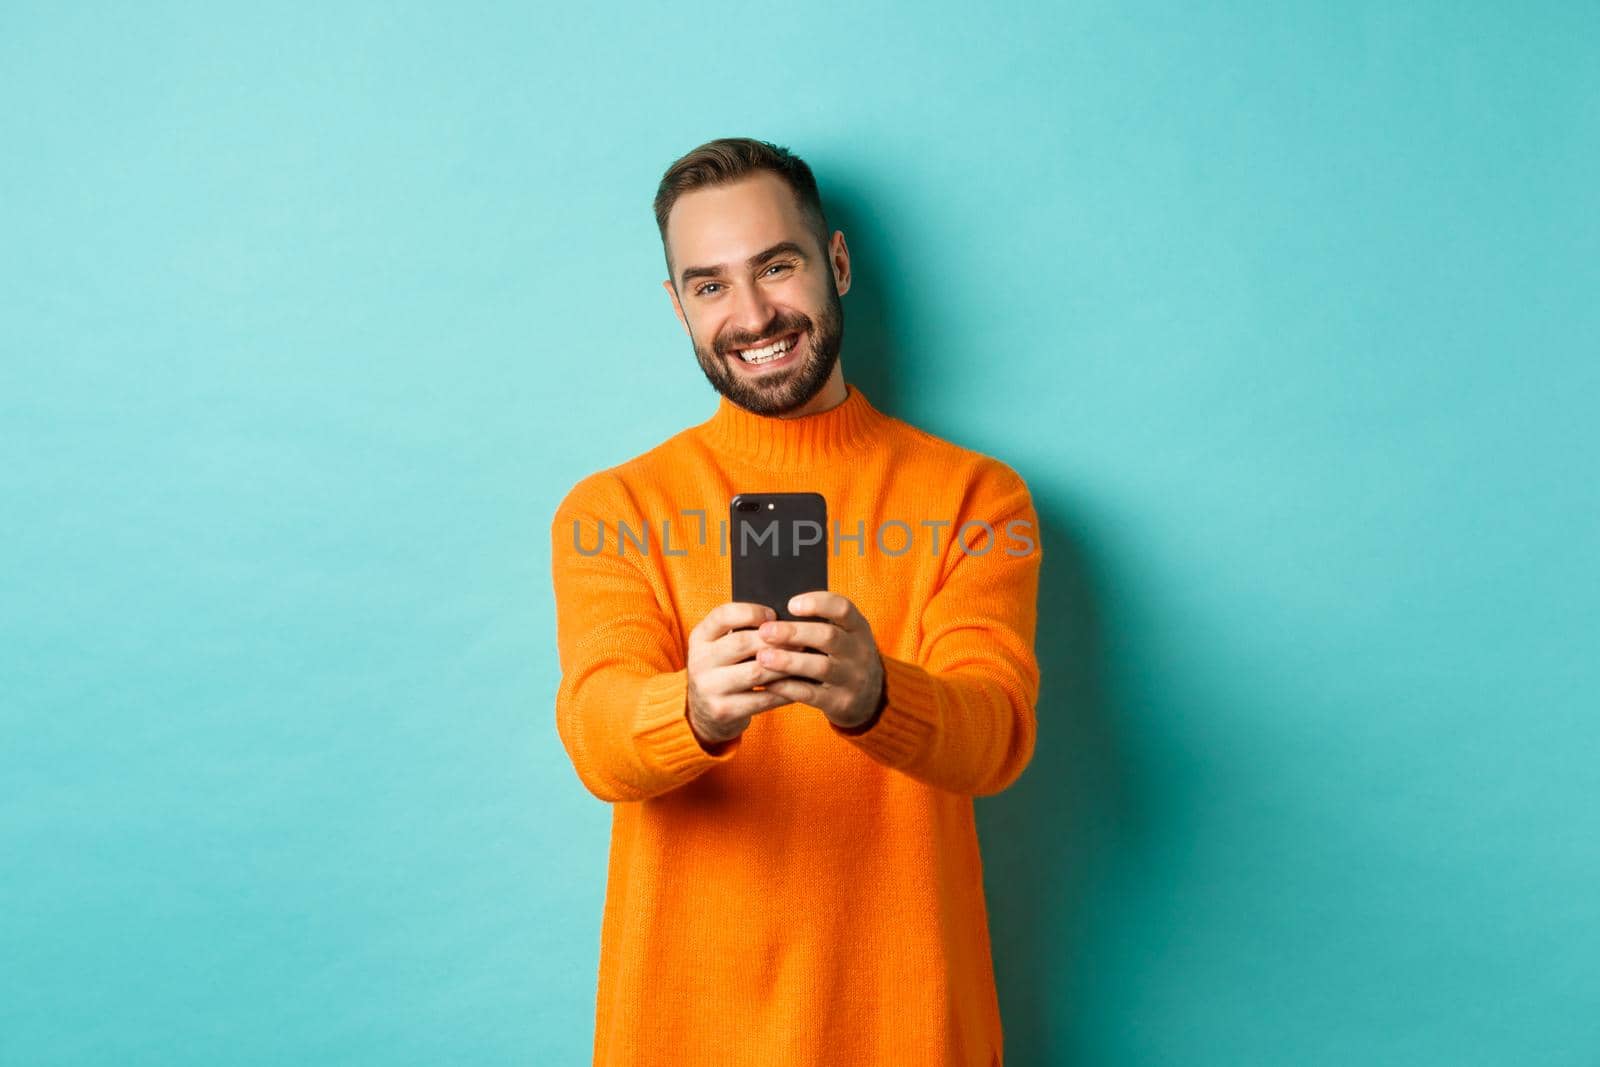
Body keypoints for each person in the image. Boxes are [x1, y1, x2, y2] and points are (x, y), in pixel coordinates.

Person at [550, 137, 1042, 1067]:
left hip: (911, 1031)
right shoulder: (614, 510)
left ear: (837, 265)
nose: (752, 314)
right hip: (682, 1036)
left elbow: (998, 732)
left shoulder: (979, 499)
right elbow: (596, 732)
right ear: (678, 306)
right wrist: (690, 707)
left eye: (777, 266)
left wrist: (878, 697)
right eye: (709, 284)